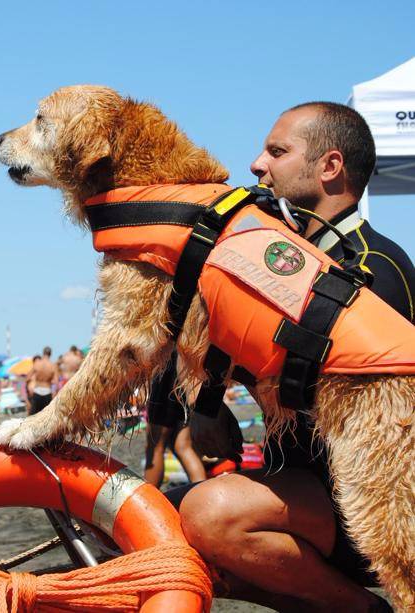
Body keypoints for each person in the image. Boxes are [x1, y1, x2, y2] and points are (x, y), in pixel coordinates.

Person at [177, 102, 413, 612]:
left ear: (330, 167)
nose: (256, 165)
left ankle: (361, 609)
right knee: (192, 548)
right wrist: (209, 401)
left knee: (211, 512)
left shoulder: (375, 270)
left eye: (277, 151)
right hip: (310, 485)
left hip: (370, 509)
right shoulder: (300, 261)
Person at [28, 346, 58, 416]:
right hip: (47, 392)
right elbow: (56, 382)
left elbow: (27, 378)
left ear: (43, 353)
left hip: (37, 391)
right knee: (46, 417)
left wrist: (30, 390)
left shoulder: (37, 364)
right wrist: (54, 394)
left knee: (33, 417)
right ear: (50, 354)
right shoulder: (53, 366)